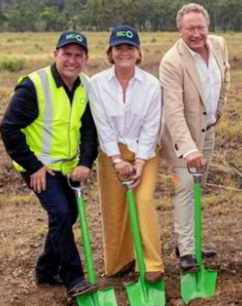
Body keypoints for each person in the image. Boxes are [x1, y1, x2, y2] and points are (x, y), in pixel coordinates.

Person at [0, 31, 99, 297]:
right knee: (61, 215)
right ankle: (74, 278)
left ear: (86, 59)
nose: (72, 60)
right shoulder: (34, 85)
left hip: (67, 167)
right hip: (39, 168)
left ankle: (45, 270)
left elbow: (90, 130)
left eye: (79, 55)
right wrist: (34, 166)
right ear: (55, 54)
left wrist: (86, 162)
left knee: (69, 216)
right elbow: (8, 128)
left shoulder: (86, 86)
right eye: (67, 54)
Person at [88, 25, 164, 282]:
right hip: (111, 154)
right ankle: (121, 261)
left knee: (142, 202)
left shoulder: (152, 85)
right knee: (114, 208)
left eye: (130, 47)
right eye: (118, 48)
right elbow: (102, 125)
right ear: (110, 52)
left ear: (138, 52)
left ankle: (151, 263)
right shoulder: (96, 84)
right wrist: (117, 160)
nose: (124, 52)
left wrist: (140, 162)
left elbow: (152, 126)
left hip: (146, 152)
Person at [159, 3, 230, 272]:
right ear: (180, 29)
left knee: (199, 186)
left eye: (200, 27)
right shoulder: (172, 62)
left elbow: (226, 78)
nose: (196, 33)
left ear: (208, 28)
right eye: (190, 28)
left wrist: (219, 111)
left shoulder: (219, 45)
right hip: (182, 137)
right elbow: (173, 111)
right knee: (186, 187)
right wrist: (189, 149)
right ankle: (186, 252)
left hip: (207, 129)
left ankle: (190, 241)